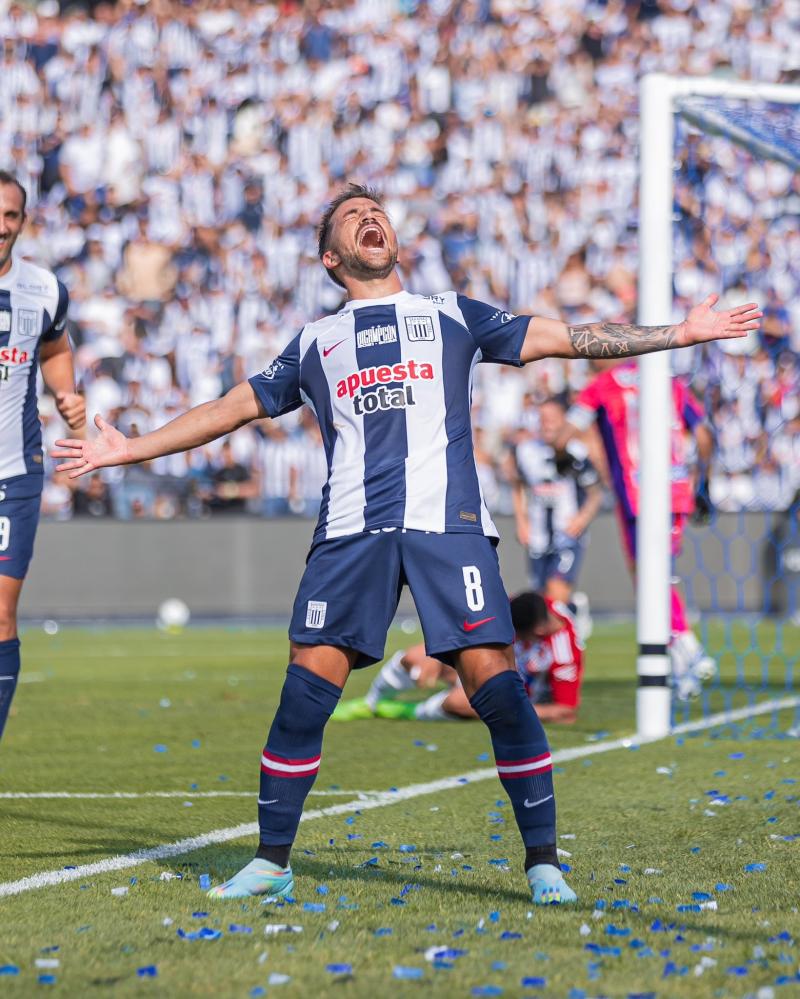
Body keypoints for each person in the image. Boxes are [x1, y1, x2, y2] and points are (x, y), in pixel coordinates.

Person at [53, 183, 761, 906]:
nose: (372, 219)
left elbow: (563, 337)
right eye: (353, 218)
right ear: (332, 256)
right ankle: (272, 860)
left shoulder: (452, 313)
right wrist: (128, 449)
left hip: (445, 526)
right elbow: (230, 409)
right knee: (305, 693)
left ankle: (543, 861)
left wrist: (679, 332)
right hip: (351, 532)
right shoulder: (315, 342)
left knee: (497, 684)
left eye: (378, 213)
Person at [567, 358, 717, 698]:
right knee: (660, 573)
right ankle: (682, 669)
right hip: (676, 490)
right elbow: (704, 433)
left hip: (637, 493)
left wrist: (569, 454)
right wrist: (704, 483)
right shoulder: (667, 380)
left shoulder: (604, 384)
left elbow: (570, 426)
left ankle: (688, 648)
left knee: (649, 577)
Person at [0, 171, 85, 742]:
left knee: (1, 615)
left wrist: (66, 393)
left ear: (23, 223)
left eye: (10, 215)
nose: (0, 226)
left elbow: (54, 345)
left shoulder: (44, 289)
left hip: (12, 475)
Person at [333, 590, 583, 725]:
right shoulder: (534, 605)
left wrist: (518, 711)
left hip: (510, 691)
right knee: (417, 656)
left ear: (537, 632)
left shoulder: (564, 655)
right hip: (482, 666)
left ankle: (401, 711)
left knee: (459, 701)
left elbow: (565, 711)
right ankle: (371, 702)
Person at [511, 397, 602, 635]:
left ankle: (567, 647)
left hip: (566, 535)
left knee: (554, 596)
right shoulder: (526, 451)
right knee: (541, 601)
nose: (547, 424)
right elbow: (518, 486)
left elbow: (595, 493)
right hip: (539, 536)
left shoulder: (576, 452)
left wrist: (581, 519)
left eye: (552, 419)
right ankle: (574, 610)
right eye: (542, 419)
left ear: (564, 420)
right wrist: (521, 521)